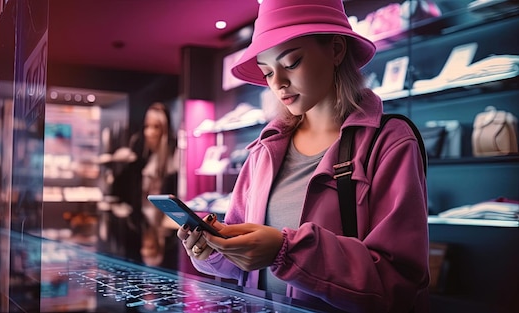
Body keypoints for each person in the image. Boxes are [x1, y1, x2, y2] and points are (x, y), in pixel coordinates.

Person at [177, 0, 430, 312]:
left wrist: (286, 251)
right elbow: (244, 263)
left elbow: (397, 281)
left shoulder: (388, 142)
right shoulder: (264, 150)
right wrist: (214, 250)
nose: (278, 83)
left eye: (292, 62)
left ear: (337, 50)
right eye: (267, 72)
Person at [112, 102, 179, 268]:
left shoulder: (173, 159)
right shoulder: (141, 159)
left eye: (156, 127)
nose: (149, 132)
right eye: (147, 126)